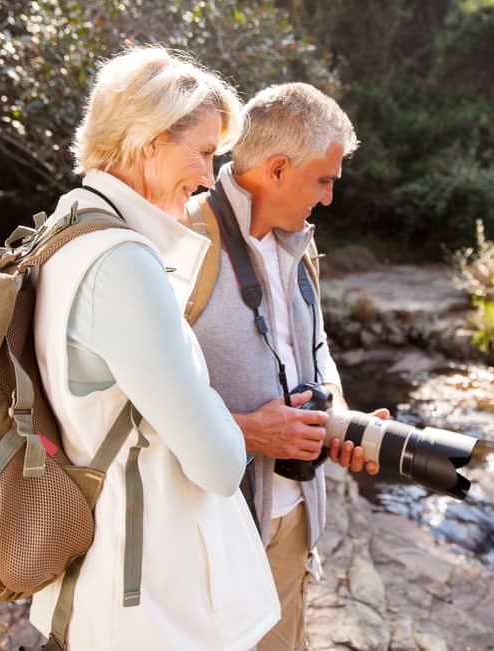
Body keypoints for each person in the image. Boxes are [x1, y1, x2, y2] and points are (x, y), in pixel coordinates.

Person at [28, 46, 280, 650]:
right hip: (150, 608)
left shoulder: (66, 228)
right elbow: (219, 464)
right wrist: (224, 413)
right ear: (150, 141)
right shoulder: (121, 263)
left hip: (110, 578)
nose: (209, 177)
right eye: (203, 152)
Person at [187, 82, 388, 651]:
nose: (329, 198)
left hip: (296, 519)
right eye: (323, 180)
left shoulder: (302, 245)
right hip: (208, 535)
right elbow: (127, 403)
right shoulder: (179, 241)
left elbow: (317, 349)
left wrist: (340, 417)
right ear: (277, 169)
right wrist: (248, 432)